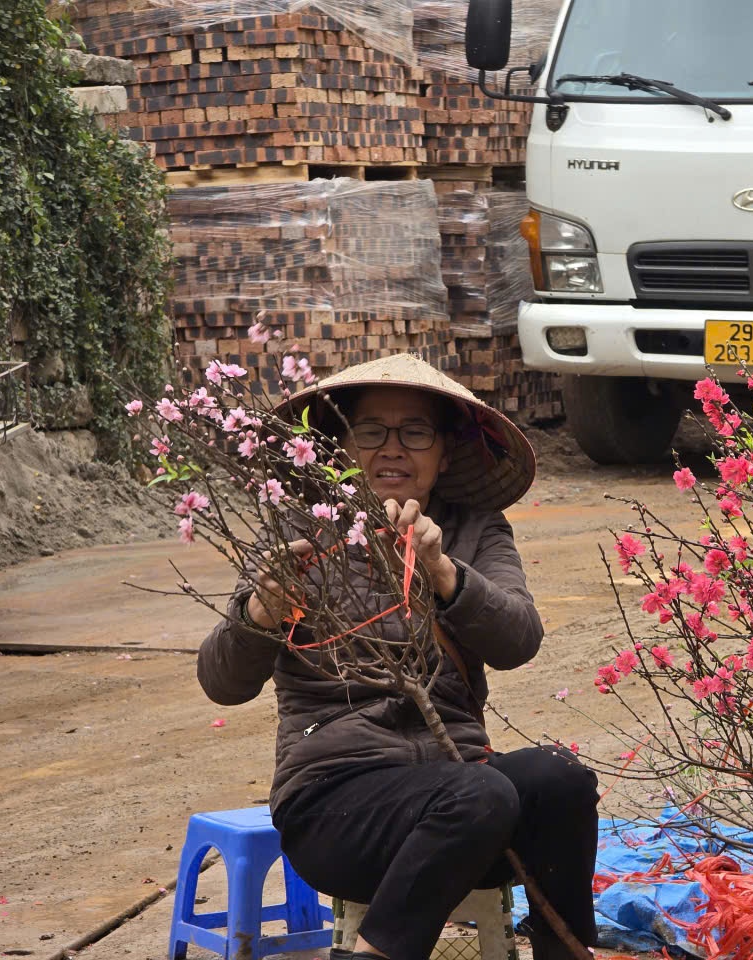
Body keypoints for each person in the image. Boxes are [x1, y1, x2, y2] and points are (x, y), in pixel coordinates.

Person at [197, 355, 599, 960]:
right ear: (339, 448)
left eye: (415, 432)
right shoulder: (298, 532)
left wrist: (444, 574)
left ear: (445, 453)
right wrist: (260, 612)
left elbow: (520, 640)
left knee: (559, 779)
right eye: (370, 431)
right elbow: (221, 683)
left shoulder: (474, 530)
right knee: (478, 794)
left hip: (466, 806)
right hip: (337, 807)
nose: (392, 448)